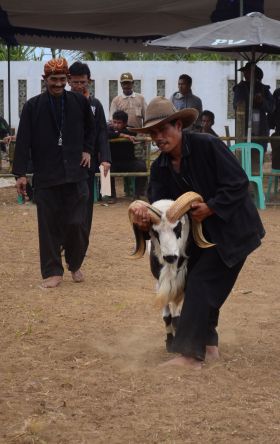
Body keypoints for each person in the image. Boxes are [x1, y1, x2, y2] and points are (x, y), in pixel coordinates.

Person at [130, 96, 265, 369]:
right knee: (199, 285)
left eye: (164, 129)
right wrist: (145, 222)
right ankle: (209, 346)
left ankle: (190, 354)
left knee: (202, 284)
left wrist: (211, 208)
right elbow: (160, 212)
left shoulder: (208, 145)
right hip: (199, 239)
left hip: (233, 231)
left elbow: (239, 183)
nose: (159, 137)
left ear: (179, 126)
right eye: (153, 133)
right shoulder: (160, 168)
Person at [12, 58, 95, 288]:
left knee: (77, 223)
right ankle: (52, 271)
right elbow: (23, 141)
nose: (58, 84)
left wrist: (88, 149)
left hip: (75, 174)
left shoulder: (79, 102)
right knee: (48, 225)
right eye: (53, 80)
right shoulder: (32, 106)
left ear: (67, 79)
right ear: (44, 80)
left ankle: (75, 263)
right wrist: (20, 174)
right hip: (46, 175)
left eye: (61, 79)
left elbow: (92, 128)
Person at [68, 61, 111, 234]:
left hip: (88, 162)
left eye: (82, 82)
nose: (79, 86)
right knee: (67, 200)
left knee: (85, 200)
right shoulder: (61, 103)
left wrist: (105, 158)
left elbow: (102, 133)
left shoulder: (95, 105)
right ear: (69, 81)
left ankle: (82, 240)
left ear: (89, 81)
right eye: (75, 82)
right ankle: (66, 238)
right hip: (66, 162)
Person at [233, 62, 274, 152]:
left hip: (261, 129)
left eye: (247, 72)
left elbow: (271, 108)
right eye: (245, 72)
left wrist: (261, 101)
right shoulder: (240, 88)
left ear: (255, 74)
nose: (245, 74)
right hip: (244, 127)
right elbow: (236, 106)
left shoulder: (264, 89)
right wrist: (249, 101)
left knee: (259, 156)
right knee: (244, 156)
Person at [107, 110, 147, 202]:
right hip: (114, 162)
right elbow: (105, 133)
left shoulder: (130, 129)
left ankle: (137, 194)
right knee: (105, 167)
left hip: (129, 162)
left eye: (119, 123)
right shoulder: (108, 129)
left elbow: (132, 133)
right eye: (114, 122)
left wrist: (121, 133)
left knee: (142, 166)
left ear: (125, 123)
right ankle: (111, 196)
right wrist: (122, 135)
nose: (116, 125)